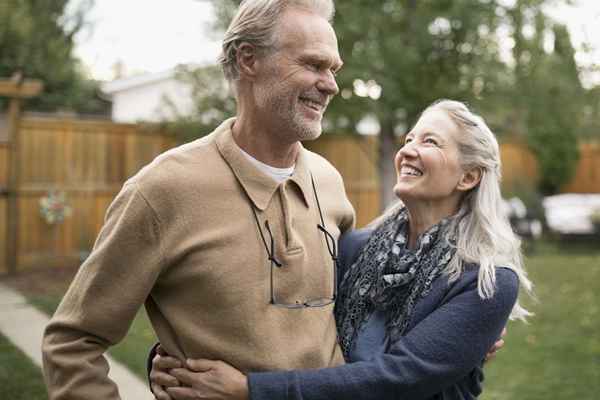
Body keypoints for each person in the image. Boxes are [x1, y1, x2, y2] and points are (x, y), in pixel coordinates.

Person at [41, 1, 356, 399]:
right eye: (313, 65)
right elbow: (73, 342)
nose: (331, 84)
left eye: (333, 69)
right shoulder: (162, 191)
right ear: (248, 59)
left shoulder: (330, 183)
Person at [147, 99, 533, 400]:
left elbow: (399, 378)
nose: (408, 150)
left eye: (429, 141)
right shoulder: (354, 249)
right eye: (408, 139)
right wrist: (180, 358)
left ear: (469, 176)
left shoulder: (487, 282)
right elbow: (274, 313)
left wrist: (252, 392)